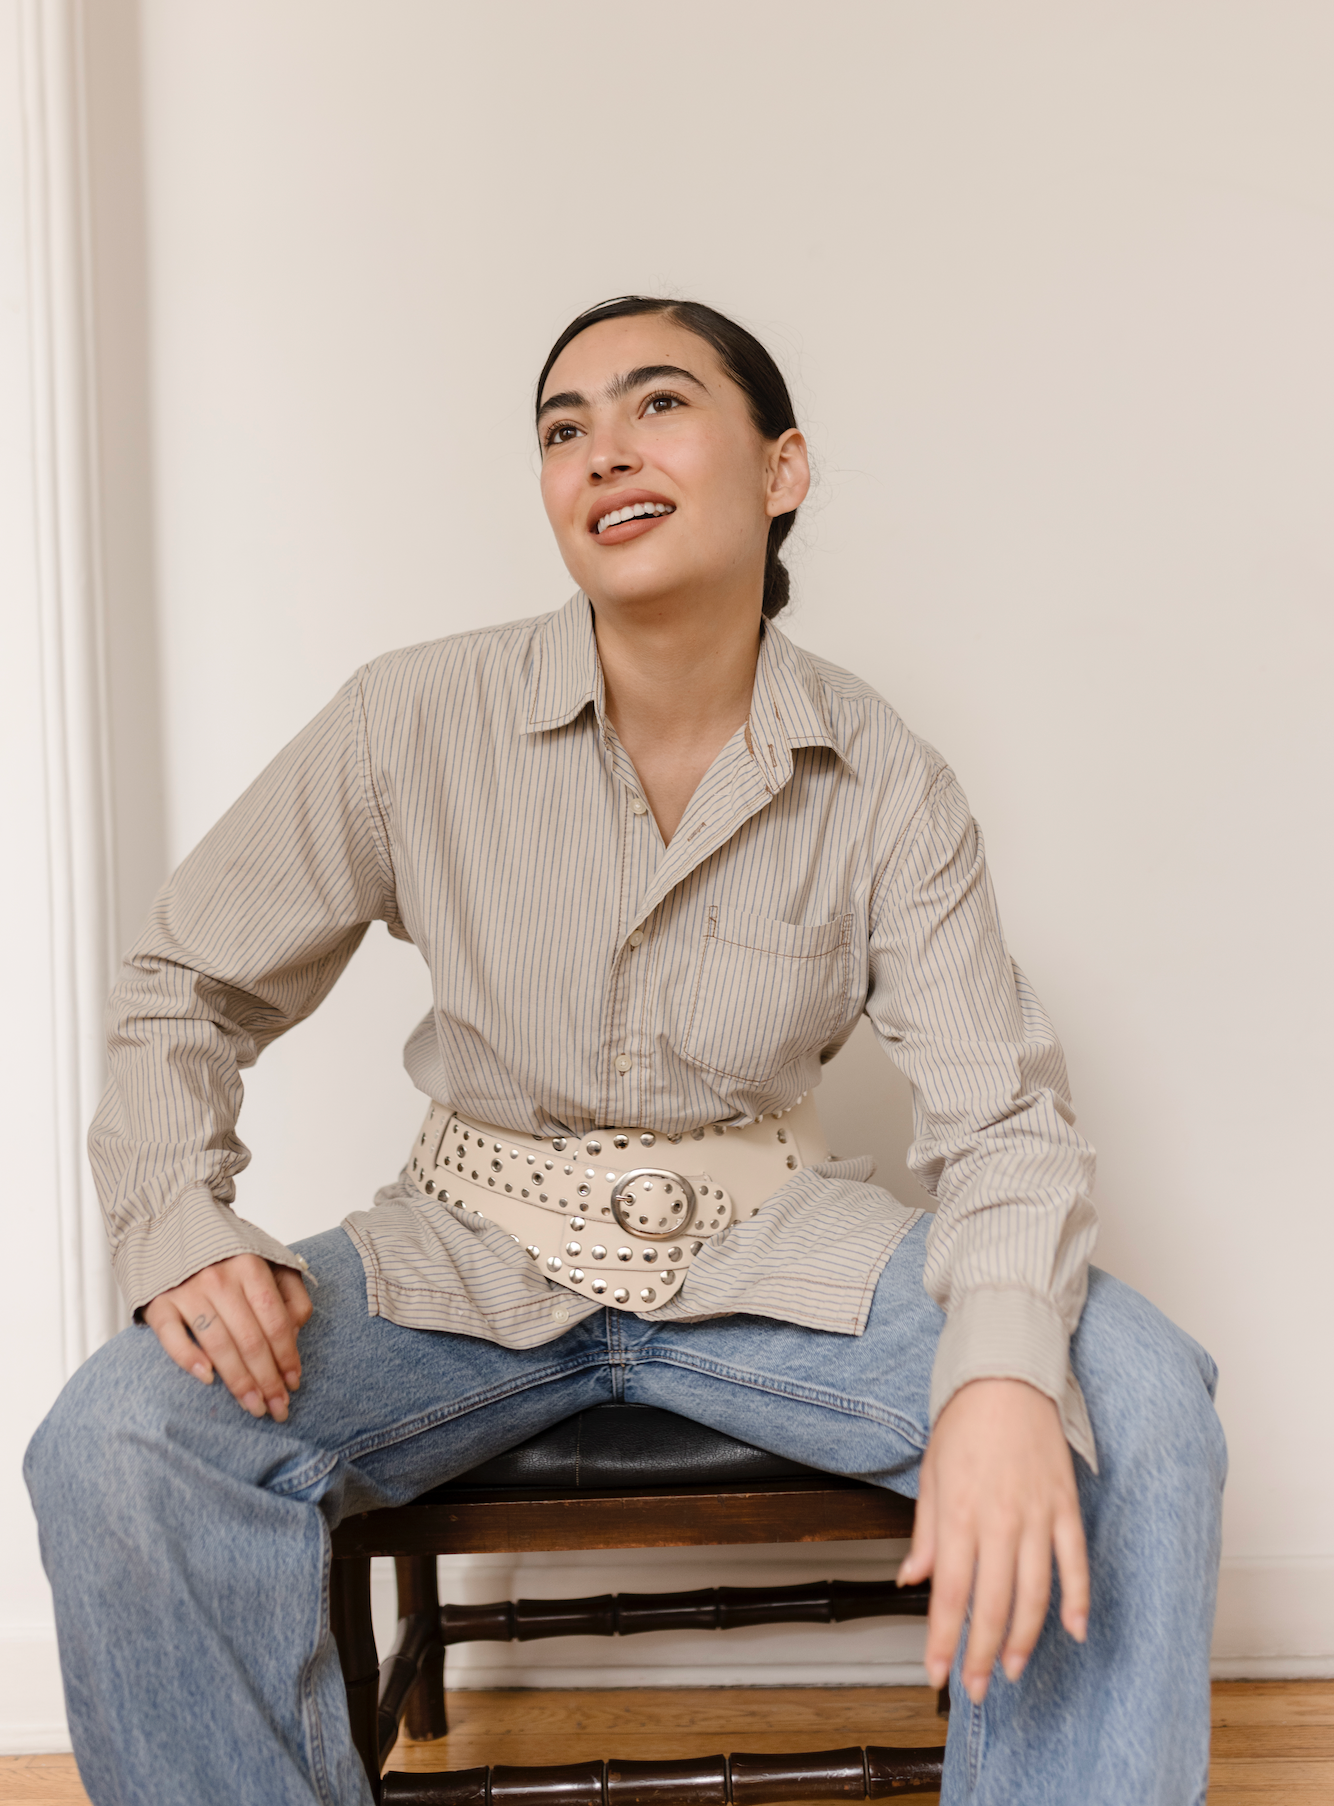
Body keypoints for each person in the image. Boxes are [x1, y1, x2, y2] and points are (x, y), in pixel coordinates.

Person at [25, 296, 1225, 1806]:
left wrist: (998, 1376)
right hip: (461, 1262)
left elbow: (1005, 1120)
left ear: (781, 469)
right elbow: (184, 981)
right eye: (563, 427)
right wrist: (175, 1219)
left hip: (776, 1258)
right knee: (119, 1439)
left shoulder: (884, 777)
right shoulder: (410, 719)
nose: (603, 451)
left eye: (657, 404)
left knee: (1130, 1395)